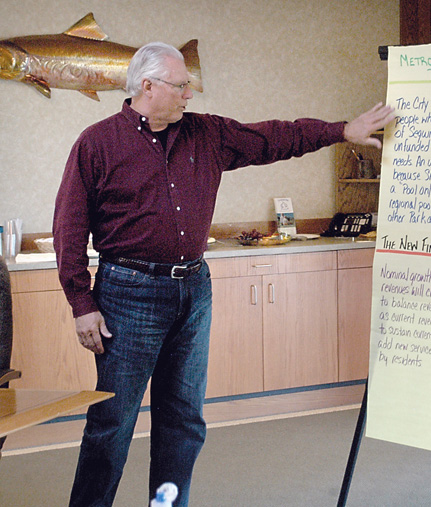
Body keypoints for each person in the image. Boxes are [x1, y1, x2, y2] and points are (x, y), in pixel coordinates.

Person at [53, 41, 394, 507]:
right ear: (147, 87)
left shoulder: (207, 134)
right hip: (126, 295)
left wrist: (340, 130)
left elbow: (276, 137)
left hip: (193, 290)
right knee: (112, 423)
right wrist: (81, 303)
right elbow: (69, 227)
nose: (189, 95)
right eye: (181, 86)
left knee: (183, 421)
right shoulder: (97, 143)